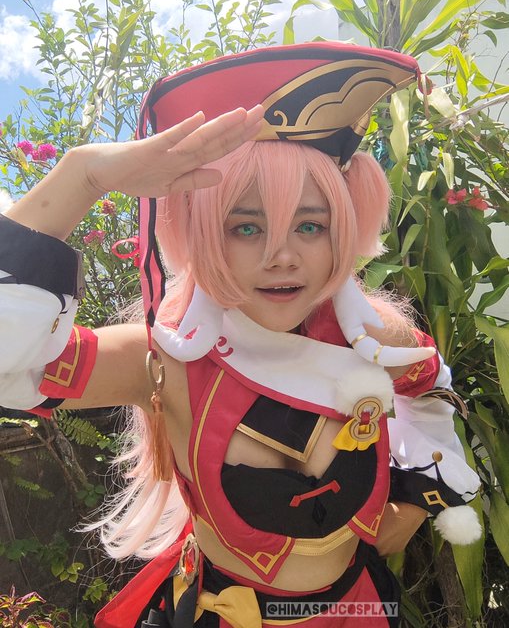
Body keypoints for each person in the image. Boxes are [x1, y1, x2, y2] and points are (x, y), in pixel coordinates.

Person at [0, 42, 481, 628]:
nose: (282, 256)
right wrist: (83, 175)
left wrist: (415, 498)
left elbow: (432, 389)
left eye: (310, 225)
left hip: (358, 609)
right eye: (246, 228)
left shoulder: (377, 336)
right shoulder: (164, 356)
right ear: (201, 231)